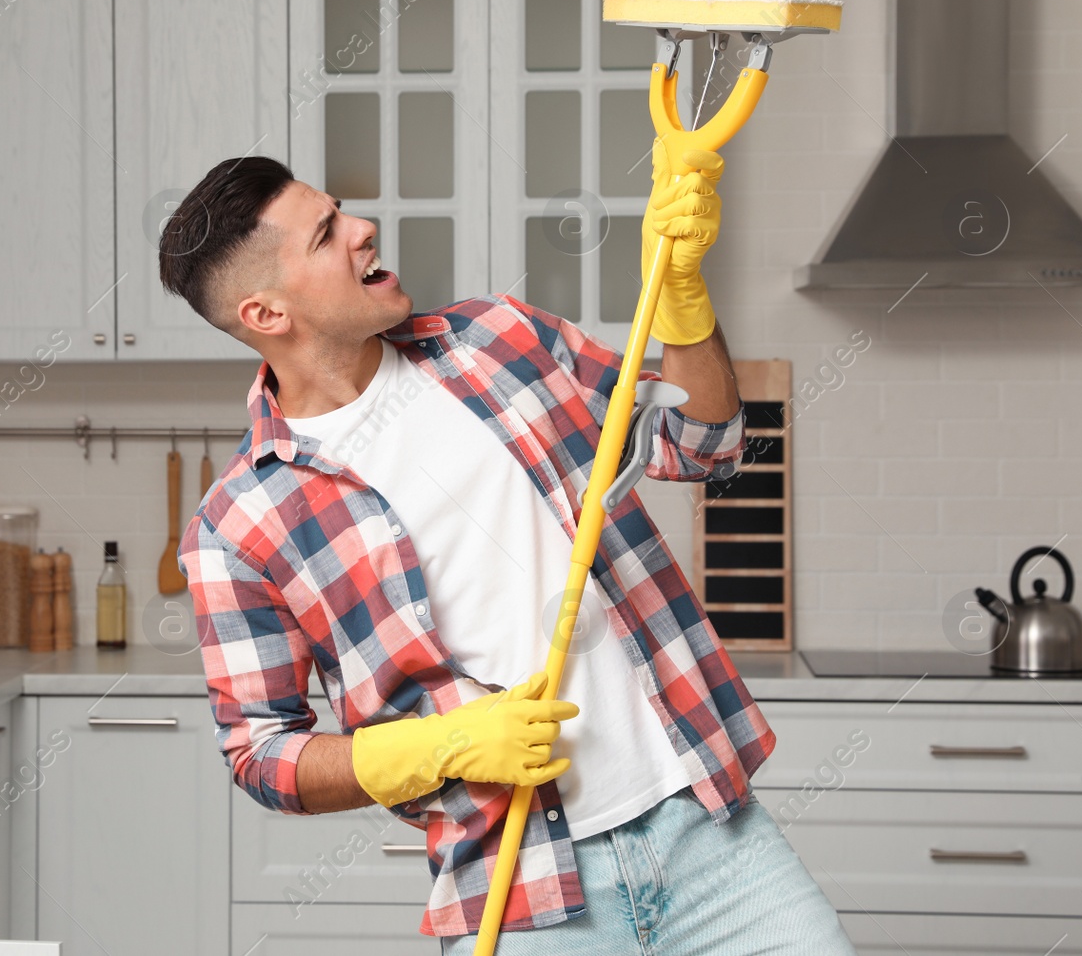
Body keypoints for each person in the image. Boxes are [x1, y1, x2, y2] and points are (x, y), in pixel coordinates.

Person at [164, 147, 855, 954]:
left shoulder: (501, 341)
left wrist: (683, 306)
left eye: (342, 210)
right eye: (325, 235)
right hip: (524, 887)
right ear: (267, 314)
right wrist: (427, 750)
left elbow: (706, 445)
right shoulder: (239, 525)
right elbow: (261, 752)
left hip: (708, 830)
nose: (363, 228)